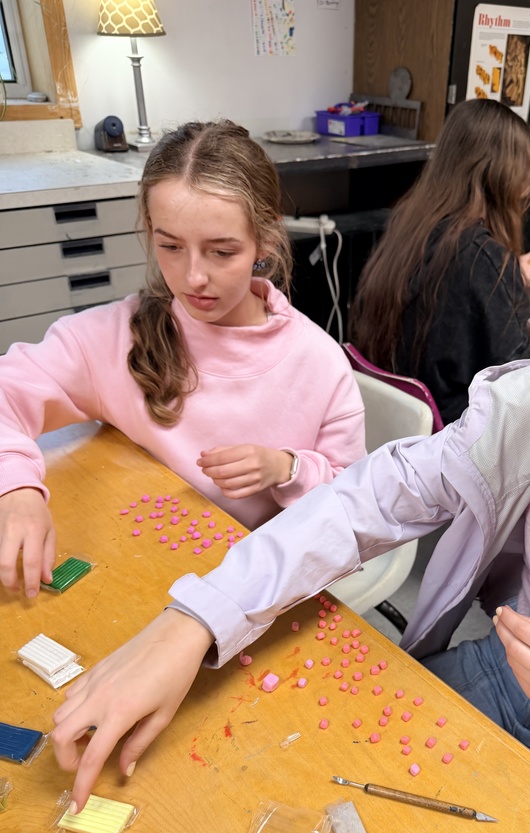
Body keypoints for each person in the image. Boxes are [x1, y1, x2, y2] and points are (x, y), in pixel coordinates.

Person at [50, 184, 530, 833]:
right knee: (288, 807)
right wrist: (195, 621)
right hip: (501, 670)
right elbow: (365, 500)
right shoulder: (526, 410)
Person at [0, 120, 365, 598]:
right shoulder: (114, 336)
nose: (193, 277)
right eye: (170, 246)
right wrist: (16, 488)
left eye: (221, 252)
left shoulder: (319, 365)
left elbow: (355, 512)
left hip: (254, 588)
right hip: (140, 566)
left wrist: (290, 469)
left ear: (265, 242)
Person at [348, 99, 530, 424]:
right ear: (510, 180)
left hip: (396, 426)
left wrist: (504, 277)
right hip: (455, 437)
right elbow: (526, 380)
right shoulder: (482, 259)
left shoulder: (410, 224)